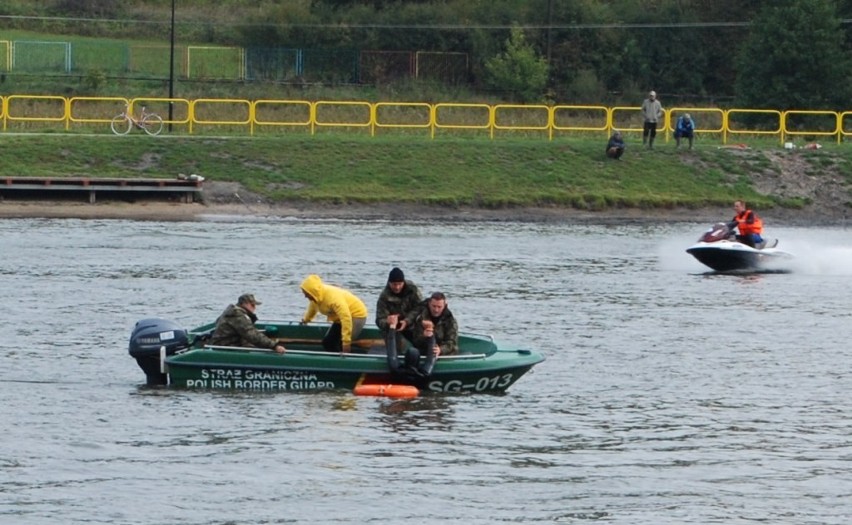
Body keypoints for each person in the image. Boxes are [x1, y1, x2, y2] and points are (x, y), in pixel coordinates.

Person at [300, 274, 368, 353]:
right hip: (339, 318)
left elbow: (346, 318)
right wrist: (306, 320)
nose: (305, 296)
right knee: (327, 342)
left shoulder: (333, 299)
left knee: (340, 343)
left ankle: (346, 360)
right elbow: (312, 310)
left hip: (356, 315)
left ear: (314, 291)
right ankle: (334, 359)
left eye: (306, 294)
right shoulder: (316, 298)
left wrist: (346, 342)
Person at [209, 293, 286, 353]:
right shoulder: (237, 315)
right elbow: (252, 335)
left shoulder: (233, 312)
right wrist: (274, 346)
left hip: (229, 344)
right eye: (252, 305)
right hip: (226, 348)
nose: (254, 308)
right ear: (244, 304)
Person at [404, 291, 459, 359]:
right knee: (413, 352)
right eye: (434, 306)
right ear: (429, 304)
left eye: (439, 307)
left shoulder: (450, 320)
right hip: (425, 350)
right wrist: (423, 336)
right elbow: (416, 340)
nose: (436, 310)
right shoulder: (421, 318)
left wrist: (440, 349)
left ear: (444, 306)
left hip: (443, 353)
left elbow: (451, 342)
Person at [375, 267, 422, 344]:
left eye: (399, 284)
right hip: (393, 327)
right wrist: (388, 321)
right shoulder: (384, 297)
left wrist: (407, 321)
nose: (397, 287)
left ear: (403, 282)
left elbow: (420, 308)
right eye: (394, 284)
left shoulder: (412, 290)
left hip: (412, 323)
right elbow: (379, 319)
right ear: (389, 283)